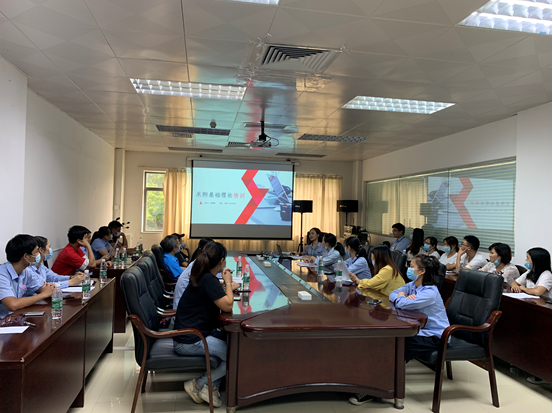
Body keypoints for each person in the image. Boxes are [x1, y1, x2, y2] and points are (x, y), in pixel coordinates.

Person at [350, 255, 449, 406]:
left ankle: (377, 389)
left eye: (412, 266)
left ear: (422, 271)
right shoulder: (413, 285)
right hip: (418, 329)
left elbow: (403, 304)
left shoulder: (430, 292)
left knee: (395, 347)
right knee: (386, 342)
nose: (409, 268)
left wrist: (401, 298)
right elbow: (393, 294)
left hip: (434, 335)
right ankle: (366, 380)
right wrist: (402, 296)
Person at [175, 242, 234, 408]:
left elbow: (214, 293)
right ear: (221, 262)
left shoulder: (204, 275)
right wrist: (228, 283)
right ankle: (198, 384)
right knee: (235, 354)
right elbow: (228, 305)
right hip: (190, 340)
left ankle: (211, 387)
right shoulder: (209, 280)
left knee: (230, 342)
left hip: (190, 334)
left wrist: (224, 285)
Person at [0, 235, 56, 319]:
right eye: (37, 251)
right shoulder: (2, 274)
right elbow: (12, 305)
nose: (39, 254)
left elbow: (40, 288)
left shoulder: (25, 271)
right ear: (26, 256)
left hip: (17, 317)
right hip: (3, 321)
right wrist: (43, 294)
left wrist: (48, 288)